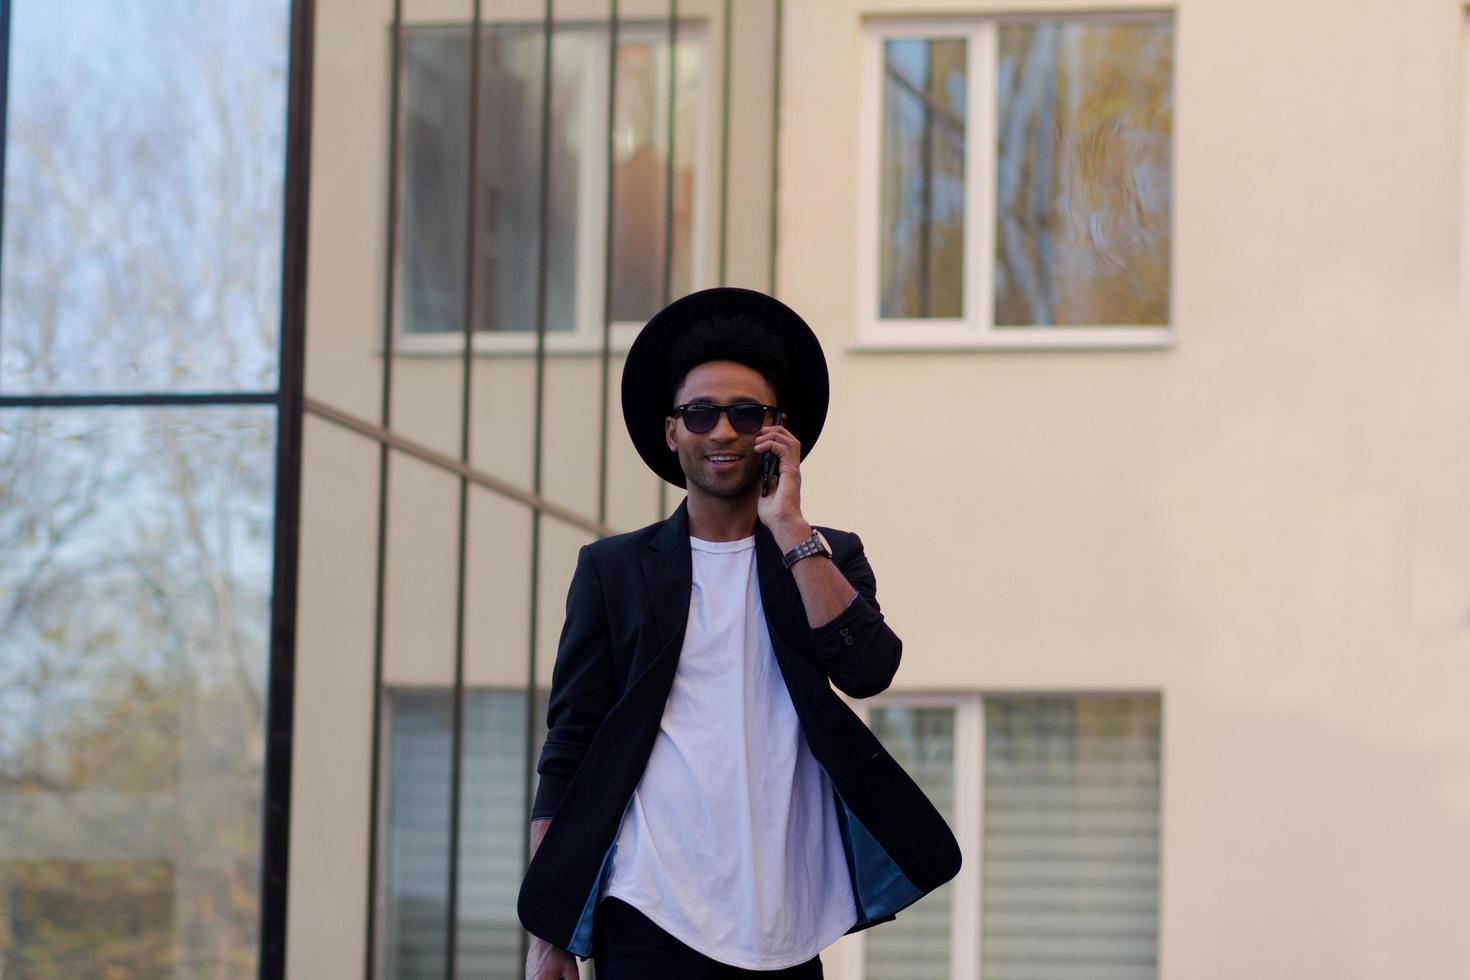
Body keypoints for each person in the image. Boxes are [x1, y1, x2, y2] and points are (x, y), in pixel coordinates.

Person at [519, 288, 960, 980]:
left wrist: (790, 527)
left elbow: (870, 670)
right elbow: (569, 745)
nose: (722, 431)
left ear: (777, 431)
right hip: (648, 903)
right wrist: (547, 934)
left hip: (785, 920)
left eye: (746, 413)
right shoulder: (614, 570)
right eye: (700, 413)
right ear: (673, 432)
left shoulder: (825, 555)